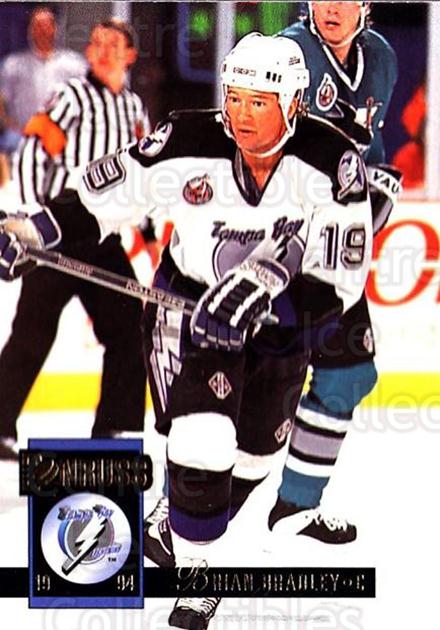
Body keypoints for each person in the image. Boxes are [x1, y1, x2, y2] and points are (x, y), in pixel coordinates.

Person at [0, 33, 373, 629]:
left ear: (294, 104)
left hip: (280, 324)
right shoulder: (188, 138)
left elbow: (340, 280)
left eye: (260, 102)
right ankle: (200, 579)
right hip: (192, 314)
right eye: (235, 97)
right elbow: (104, 196)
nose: (242, 114)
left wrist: (272, 306)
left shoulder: (332, 161)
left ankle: (176, 517)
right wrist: (34, 230)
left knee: (254, 458)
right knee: (200, 440)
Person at [263, 0, 402, 543]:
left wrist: (375, 191)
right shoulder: (286, 53)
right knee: (251, 389)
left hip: (332, 254)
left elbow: (370, 150)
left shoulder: (381, 59)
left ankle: (296, 505)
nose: (332, 7)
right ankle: (178, 512)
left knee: (348, 375)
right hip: (274, 246)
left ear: (366, 6)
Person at [0, 18, 152, 459]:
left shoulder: (135, 110)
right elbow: (32, 152)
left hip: (104, 240)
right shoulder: (70, 96)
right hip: (59, 234)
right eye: (97, 42)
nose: (103, 50)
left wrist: (146, 232)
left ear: (130, 55)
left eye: (113, 44)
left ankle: (115, 431)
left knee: (129, 329)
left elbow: (144, 177)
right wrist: (35, 220)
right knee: (31, 334)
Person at [0, 6, 87, 153]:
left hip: (64, 139)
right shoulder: (12, 65)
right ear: (30, 30)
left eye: (47, 24)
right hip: (22, 138)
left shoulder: (75, 64)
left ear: (56, 28)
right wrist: (11, 127)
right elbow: (2, 101)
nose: (43, 30)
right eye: (38, 25)